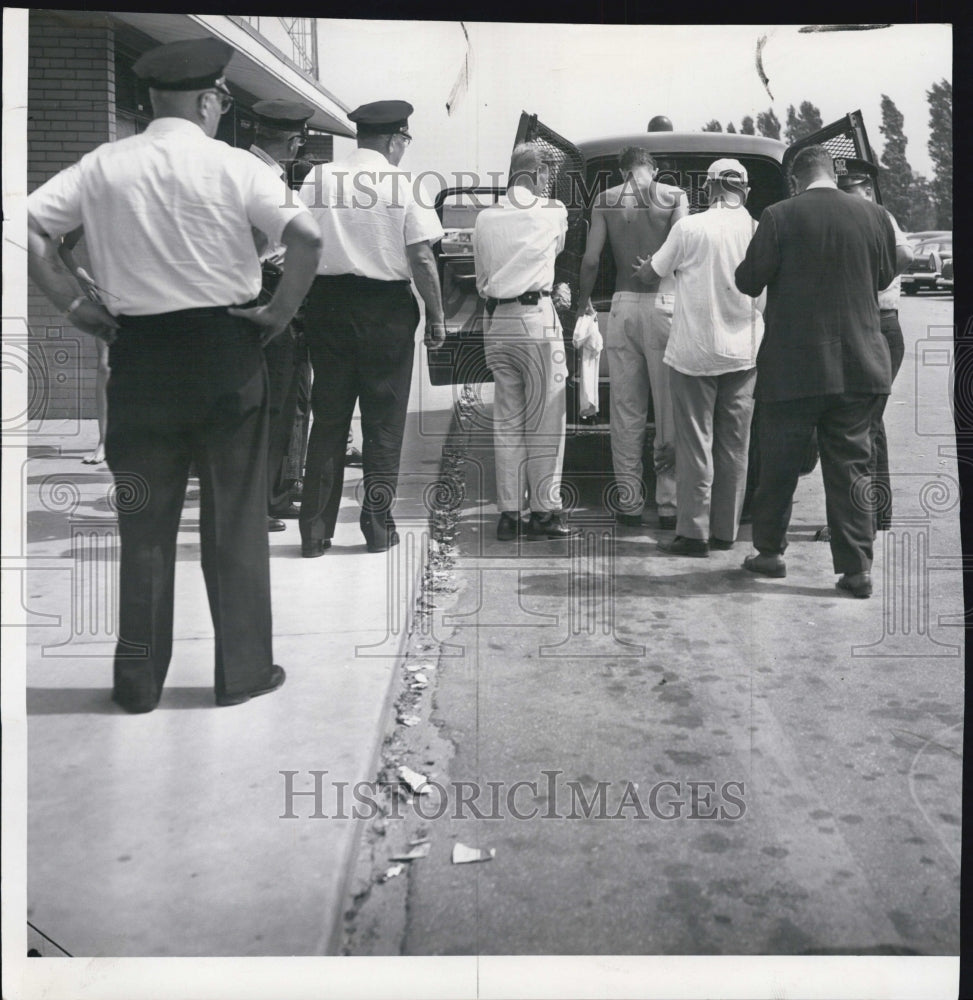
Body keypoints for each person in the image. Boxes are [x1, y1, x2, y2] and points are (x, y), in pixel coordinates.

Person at [27, 38, 322, 711]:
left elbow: (33, 231)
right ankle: (242, 672)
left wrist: (76, 306)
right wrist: (278, 311)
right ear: (210, 99)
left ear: (150, 100)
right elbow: (305, 240)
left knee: (144, 527)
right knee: (235, 521)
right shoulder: (232, 167)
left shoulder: (100, 165)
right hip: (225, 350)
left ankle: (136, 683)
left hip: (141, 355)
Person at [734, 144, 896, 598]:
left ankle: (769, 553)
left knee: (779, 468)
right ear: (833, 173)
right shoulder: (874, 216)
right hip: (860, 364)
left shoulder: (779, 216)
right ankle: (857, 570)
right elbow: (883, 277)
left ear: (794, 179)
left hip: (794, 369)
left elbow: (748, 280)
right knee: (852, 470)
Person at [297, 99, 446, 556]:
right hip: (385, 310)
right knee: (383, 423)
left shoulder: (317, 177)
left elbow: (299, 240)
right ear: (395, 139)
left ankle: (315, 534)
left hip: (328, 305)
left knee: (328, 418)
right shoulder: (404, 184)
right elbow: (421, 257)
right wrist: (436, 316)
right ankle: (378, 528)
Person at [632, 158, 764, 556]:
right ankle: (725, 532)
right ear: (746, 191)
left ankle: (693, 534)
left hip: (694, 353)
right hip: (743, 354)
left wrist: (643, 270)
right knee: (734, 445)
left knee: (695, 444)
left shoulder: (688, 228)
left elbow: (651, 273)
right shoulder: (758, 230)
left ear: (707, 189)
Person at [474, 142, 580, 541]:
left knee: (507, 420)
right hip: (536, 319)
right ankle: (545, 511)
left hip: (498, 320)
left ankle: (510, 514)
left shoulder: (486, 218)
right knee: (546, 421)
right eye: (548, 175)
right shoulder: (553, 212)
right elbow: (559, 250)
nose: (549, 183)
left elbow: (482, 275)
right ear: (537, 174)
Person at [578, 146, 688, 529]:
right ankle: (670, 503)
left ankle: (629, 501)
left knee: (626, 409)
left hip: (623, 304)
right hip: (665, 303)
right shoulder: (674, 197)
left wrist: (581, 304)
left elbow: (591, 259)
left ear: (621, 169)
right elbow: (683, 249)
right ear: (653, 167)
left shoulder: (606, 200)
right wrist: (656, 269)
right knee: (668, 407)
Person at [247, 99, 315, 533]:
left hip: (261, 287)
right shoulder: (264, 179)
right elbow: (251, 244)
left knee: (283, 398)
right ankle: (260, 503)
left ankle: (274, 493)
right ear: (293, 141)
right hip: (267, 291)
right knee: (274, 400)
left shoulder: (244, 168)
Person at [836, 157, 913, 532]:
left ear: (866, 191)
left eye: (850, 191)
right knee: (872, 422)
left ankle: (860, 518)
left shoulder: (881, 216)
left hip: (880, 325)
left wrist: (876, 279)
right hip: (875, 327)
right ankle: (878, 513)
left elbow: (907, 254)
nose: (846, 198)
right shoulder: (862, 219)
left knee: (860, 425)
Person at [58, 227, 108, 464]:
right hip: (106, 296)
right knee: (106, 366)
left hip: (147, 294)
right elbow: (64, 247)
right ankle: (104, 442)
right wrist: (82, 277)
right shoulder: (92, 204)